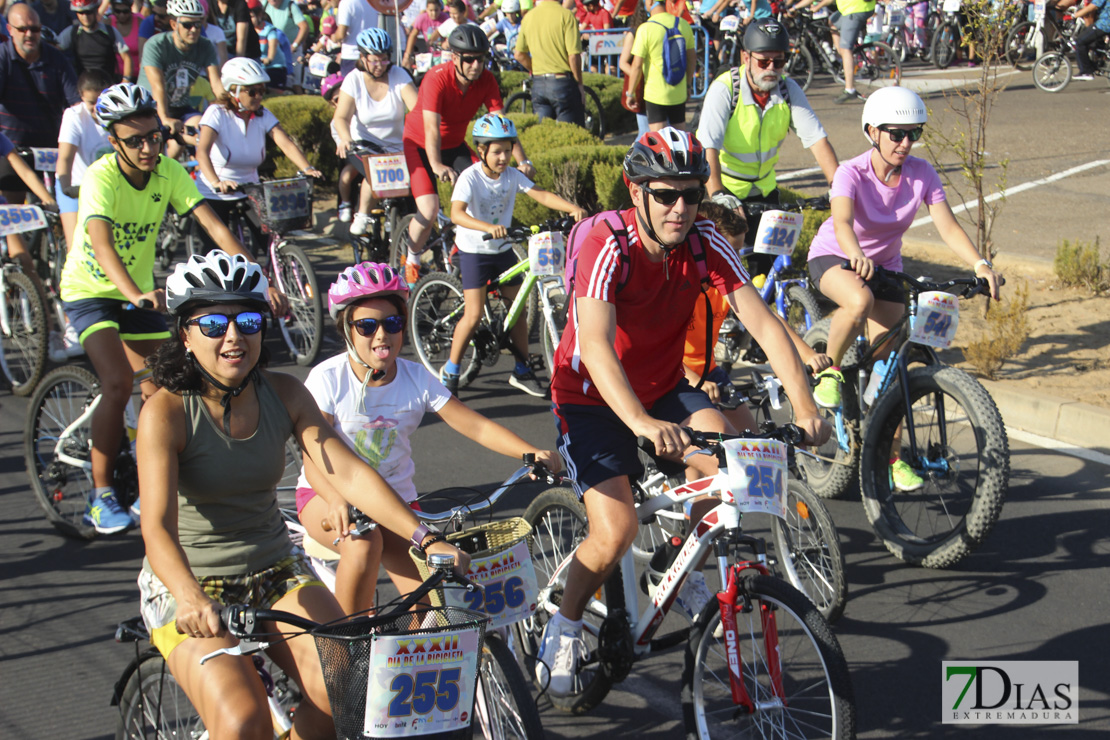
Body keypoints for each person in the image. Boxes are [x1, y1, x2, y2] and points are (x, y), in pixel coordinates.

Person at [539, 128, 830, 696]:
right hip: (591, 396)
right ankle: (566, 621)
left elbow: (764, 323)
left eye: (691, 195)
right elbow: (595, 344)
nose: (680, 208)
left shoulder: (704, 241)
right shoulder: (606, 241)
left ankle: (670, 560)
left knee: (726, 472)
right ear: (636, 190)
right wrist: (642, 425)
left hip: (663, 386)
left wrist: (805, 405)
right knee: (616, 529)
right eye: (665, 194)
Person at [139, 250, 468, 739]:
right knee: (242, 720)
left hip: (274, 567)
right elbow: (156, 529)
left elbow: (349, 473)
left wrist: (424, 537)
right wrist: (188, 595)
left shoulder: (285, 393)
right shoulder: (164, 413)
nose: (233, 336)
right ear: (185, 334)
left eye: (248, 320)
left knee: (351, 688)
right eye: (212, 323)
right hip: (189, 584)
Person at [56, 83, 286, 534]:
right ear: (112, 141)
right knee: (119, 381)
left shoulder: (168, 172)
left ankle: (152, 479)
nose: (148, 148)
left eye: (154, 137)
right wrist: (134, 292)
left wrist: (258, 275)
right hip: (91, 289)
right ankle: (101, 495)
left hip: (137, 290)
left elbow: (213, 225)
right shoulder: (101, 177)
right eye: (135, 140)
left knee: (166, 384)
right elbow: (100, 244)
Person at [295, 262, 559, 614]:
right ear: (347, 328)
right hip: (325, 494)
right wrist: (332, 499)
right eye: (366, 325)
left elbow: (474, 425)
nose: (381, 335)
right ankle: (344, 653)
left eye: (392, 323)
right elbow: (314, 461)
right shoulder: (327, 379)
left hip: (395, 501)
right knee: (362, 543)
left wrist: (530, 452)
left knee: (435, 606)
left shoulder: (415, 377)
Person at [804, 87, 1002, 489]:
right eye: (896, 133)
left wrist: (980, 264)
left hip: (885, 268)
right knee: (859, 300)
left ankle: (891, 457)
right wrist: (856, 253)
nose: (905, 143)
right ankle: (832, 370)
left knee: (892, 368)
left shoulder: (922, 173)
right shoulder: (851, 173)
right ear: (872, 132)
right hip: (835, 256)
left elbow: (946, 224)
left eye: (914, 133)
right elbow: (842, 221)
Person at [442, 114, 586, 397]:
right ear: (481, 151)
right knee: (472, 314)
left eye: (508, 150)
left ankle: (521, 368)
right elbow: (455, 213)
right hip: (474, 251)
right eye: (497, 151)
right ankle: (451, 370)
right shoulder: (470, 178)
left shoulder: (510, 175)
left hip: (502, 249)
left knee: (517, 309)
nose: (504, 157)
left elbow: (541, 195)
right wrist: (487, 227)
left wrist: (571, 209)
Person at [398, 25, 535, 287]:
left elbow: (501, 125)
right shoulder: (436, 78)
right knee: (429, 210)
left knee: (487, 184)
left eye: (480, 59)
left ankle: (460, 246)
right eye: (468, 59)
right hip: (420, 143)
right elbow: (431, 128)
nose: (475, 65)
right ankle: (412, 258)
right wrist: (436, 164)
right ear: (454, 58)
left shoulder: (486, 80)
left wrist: (523, 160)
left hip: (454, 144)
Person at [683, 201, 831, 432]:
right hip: (676, 376)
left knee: (750, 442)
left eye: (738, 254)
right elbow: (652, 347)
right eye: (728, 252)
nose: (734, 261)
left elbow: (769, 322)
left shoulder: (727, 282)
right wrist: (692, 380)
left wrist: (808, 354)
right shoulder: (681, 286)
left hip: (708, 373)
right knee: (711, 445)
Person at [697, 21, 838, 242]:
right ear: (746, 57)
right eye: (763, 61)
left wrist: (838, 186)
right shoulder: (725, 89)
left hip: (766, 190)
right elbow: (708, 147)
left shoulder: (789, 90)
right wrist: (717, 194)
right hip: (727, 191)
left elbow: (817, 141)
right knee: (731, 260)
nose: (772, 68)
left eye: (779, 61)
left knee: (773, 262)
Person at [194, 57, 322, 253]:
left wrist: (308, 168)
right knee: (213, 252)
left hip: (249, 188)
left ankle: (277, 273)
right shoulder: (216, 113)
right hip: (216, 191)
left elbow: (285, 143)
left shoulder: (263, 115)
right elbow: (202, 151)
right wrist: (216, 182)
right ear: (234, 90)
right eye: (252, 91)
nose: (259, 96)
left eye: (262, 91)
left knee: (270, 240)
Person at [333, 28, 417, 237]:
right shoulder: (354, 80)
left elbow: (417, 109)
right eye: (374, 60)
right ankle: (362, 214)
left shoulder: (398, 75)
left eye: (384, 59)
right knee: (377, 170)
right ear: (363, 58)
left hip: (397, 146)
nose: (379, 65)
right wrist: (345, 139)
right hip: (364, 143)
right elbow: (340, 117)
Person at [0, 4, 79, 198]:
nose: (29, 34)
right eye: (22, 29)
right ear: (9, 30)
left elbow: (77, 104)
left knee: (58, 210)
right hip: (12, 150)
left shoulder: (57, 59)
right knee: (14, 218)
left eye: (35, 29)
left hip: (51, 151)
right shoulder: (2, 57)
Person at [137, 0, 224, 157]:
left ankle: (185, 170)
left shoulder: (205, 46)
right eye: (187, 25)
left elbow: (216, 83)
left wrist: (232, 106)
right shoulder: (156, 45)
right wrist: (164, 118)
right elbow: (158, 87)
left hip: (180, 107)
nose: (194, 30)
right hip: (149, 107)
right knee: (157, 144)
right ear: (173, 24)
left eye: (198, 25)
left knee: (202, 130)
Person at [56, 69, 114, 253]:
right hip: (75, 185)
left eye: (101, 100)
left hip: (107, 186)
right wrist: (66, 188)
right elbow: (65, 158)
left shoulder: (117, 116)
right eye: (91, 102)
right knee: (76, 248)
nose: (97, 107)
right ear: (81, 96)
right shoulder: (74, 116)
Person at [513, 0, 585, 127]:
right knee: (569, 132)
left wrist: (535, 69)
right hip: (562, 81)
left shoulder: (529, 17)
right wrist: (579, 83)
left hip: (539, 83)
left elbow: (519, 54)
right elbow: (573, 56)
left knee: (544, 131)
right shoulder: (566, 15)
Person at [625, 0, 695, 131]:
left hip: (655, 94)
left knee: (659, 143)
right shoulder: (683, 24)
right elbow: (692, 59)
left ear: (650, 2)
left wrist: (631, 93)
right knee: (679, 141)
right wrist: (688, 85)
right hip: (678, 92)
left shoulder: (645, 29)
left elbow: (636, 66)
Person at [793, 0, 875, 103]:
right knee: (833, 21)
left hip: (855, 9)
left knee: (846, 49)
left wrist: (799, 7)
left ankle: (850, 90)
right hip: (852, 8)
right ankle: (842, 56)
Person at [57, 0, 134, 81]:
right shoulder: (72, 32)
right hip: (82, 87)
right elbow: (54, 50)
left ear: (96, 10)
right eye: (81, 13)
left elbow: (127, 57)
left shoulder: (110, 31)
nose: (85, 17)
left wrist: (126, 80)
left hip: (107, 86)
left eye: (88, 12)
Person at [321, 70, 361, 224]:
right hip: (355, 156)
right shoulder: (335, 123)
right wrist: (345, 142)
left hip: (374, 152)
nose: (343, 101)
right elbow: (340, 143)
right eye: (338, 99)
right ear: (333, 104)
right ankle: (345, 202)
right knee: (347, 173)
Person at [618, 0, 649, 137]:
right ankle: (631, 157)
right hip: (640, 87)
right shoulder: (634, 33)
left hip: (654, 87)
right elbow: (623, 62)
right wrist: (638, 77)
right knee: (644, 132)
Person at [264, 0, 308, 89]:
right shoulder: (264, 4)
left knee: (294, 83)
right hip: (272, 50)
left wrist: (295, 45)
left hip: (291, 51)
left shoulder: (291, 6)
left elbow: (304, 27)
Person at [333, 0, 379, 75]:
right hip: (371, 55)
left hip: (351, 55)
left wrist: (333, 37)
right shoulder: (373, 2)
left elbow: (341, 34)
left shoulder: (346, 3)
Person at [249, 0, 288, 86]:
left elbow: (272, 45)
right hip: (257, 67)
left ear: (259, 15)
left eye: (251, 17)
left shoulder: (269, 30)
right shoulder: (248, 30)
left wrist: (269, 59)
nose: (248, 20)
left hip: (273, 67)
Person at [1072, 0, 1110, 81]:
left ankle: (1086, 71)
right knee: (1093, 42)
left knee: (1080, 41)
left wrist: (1076, 15)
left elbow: (1093, 6)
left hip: (1105, 24)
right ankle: (1097, 62)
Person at [109, 0, 142, 79]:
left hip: (137, 75)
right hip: (115, 75)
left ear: (131, 9)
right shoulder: (108, 23)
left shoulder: (140, 22)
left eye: (125, 11)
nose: (122, 15)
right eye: (117, 11)